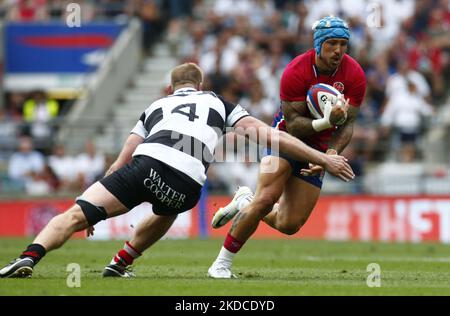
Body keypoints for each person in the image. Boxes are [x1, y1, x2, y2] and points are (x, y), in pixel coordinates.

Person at [0, 63, 354, 279]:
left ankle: (29, 256)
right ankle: (121, 262)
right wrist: (323, 158)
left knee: (75, 214)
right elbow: (271, 136)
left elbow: (121, 159)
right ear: (199, 86)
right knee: (168, 208)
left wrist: (93, 208)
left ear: (171, 89)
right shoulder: (217, 102)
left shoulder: (155, 105)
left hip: (146, 163)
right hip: (186, 184)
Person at [207, 16, 367, 278]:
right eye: (331, 44)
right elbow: (292, 125)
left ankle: (244, 199)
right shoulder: (295, 71)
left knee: (289, 224)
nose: (338, 50)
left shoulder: (355, 74)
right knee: (265, 200)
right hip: (283, 142)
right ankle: (221, 265)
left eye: (343, 44)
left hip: (319, 150)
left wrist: (330, 154)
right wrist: (326, 121)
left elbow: (348, 124)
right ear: (318, 45)